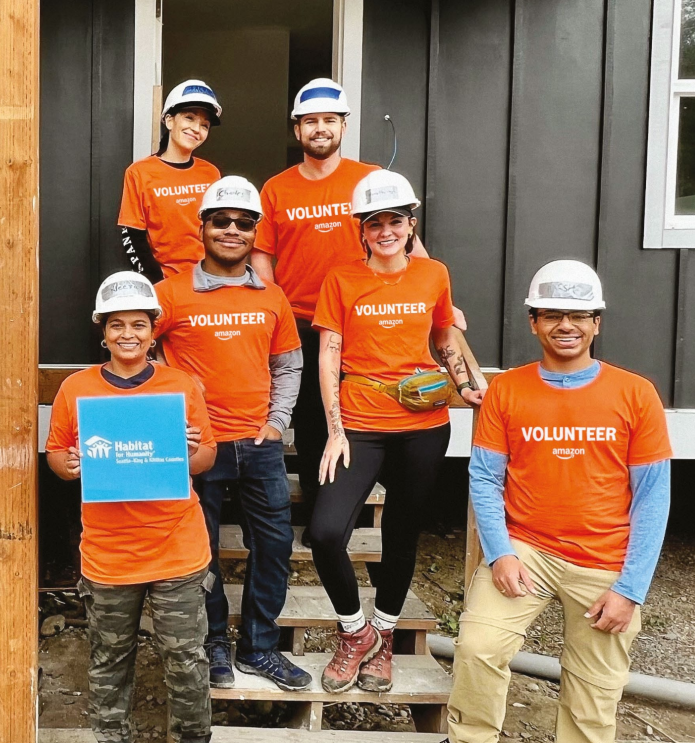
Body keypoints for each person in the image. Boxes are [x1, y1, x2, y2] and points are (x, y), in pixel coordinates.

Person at [448, 260, 671, 743]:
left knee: (594, 694)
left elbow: (653, 497)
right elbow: (485, 479)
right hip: (526, 548)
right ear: (533, 321)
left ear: (596, 323)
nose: (565, 325)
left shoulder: (636, 394)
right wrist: (501, 552)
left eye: (578, 315)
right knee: (477, 648)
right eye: (551, 314)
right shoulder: (506, 390)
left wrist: (630, 589)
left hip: (604, 558)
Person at [309, 170, 482, 693]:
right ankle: (353, 631)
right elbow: (329, 356)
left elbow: (444, 332)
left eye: (395, 221)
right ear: (361, 230)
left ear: (411, 225)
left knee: (402, 532)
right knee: (324, 532)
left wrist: (465, 382)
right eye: (375, 222)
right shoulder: (341, 280)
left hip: (424, 425)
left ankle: (384, 637)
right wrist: (335, 431)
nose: (385, 230)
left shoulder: (434, 274)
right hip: (360, 422)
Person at [252, 78, 442, 538]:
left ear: (343, 126)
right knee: (315, 418)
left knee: (367, 415)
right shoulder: (276, 189)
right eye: (311, 121)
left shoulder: (371, 180)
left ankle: (366, 517)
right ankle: (325, 519)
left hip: (367, 317)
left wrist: (443, 310)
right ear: (297, 130)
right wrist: (273, 308)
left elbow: (406, 243)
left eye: (329, 121)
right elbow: (262, 255)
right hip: (300, 317)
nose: (320, 129)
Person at [47, 271, 218, 743]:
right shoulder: (76, 389)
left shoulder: (179, 386)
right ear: (102, 331)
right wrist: (73, 464)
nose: (128, 334)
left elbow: (207, 458)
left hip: (177, 550)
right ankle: (110, 735)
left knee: (185, 659)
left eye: (139, 324)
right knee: (108, 657)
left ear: (153, 330)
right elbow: (57, 456)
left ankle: (191, 737)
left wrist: (189, 450)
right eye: (117, 324)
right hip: (108, 554)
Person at [154, 176, 309, 692]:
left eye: (244, 223)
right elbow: (130, 351)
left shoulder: (273, 296)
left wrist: (277, 422)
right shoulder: (169, 294)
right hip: (197, 447)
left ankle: (260, 647)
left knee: (275, 544)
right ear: (203, 227)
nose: (232, 230)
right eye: (221, 220)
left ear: (254, 232)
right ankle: (215, 643)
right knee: (204, 551)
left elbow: (289, 366)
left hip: (259, 444)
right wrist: (167, 410)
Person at [118, 80, 223, 282]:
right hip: (164, 282)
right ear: (169, 120)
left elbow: (219, 228)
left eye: (204, 125)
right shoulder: (139, 172)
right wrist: (154, 278)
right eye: (189, 118)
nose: (196, 128)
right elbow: (132, 235)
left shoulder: (211, 173)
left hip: (208, 279)